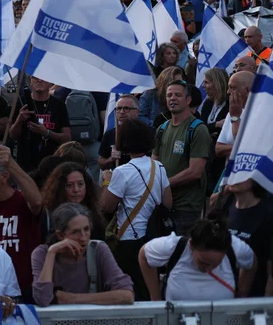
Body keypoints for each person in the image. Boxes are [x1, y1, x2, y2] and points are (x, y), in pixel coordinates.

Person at [99, 119, 172, 300]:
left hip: (129, 240)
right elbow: (168, 203)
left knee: (133, 291)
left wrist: (107, 180)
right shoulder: (159, 167)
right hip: (154, 236)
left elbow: (106, 206)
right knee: (150, 289)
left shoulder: (122, 171)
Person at [0, 145, 42, 301]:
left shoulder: (23, 202)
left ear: (4, 176)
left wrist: (11, 163)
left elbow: (37, 202)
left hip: (22, 292)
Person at [31, 203, 134, 306]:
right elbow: (42, 299)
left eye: (86, 229)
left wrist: (72, 298)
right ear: (60, 235)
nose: (83, 238)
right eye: (76, 232)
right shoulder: (42, 254)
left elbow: (127, 295)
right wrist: (51, 253)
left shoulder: (98, 250)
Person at [139, 217, 255, 301]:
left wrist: (242, 292)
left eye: (215, 264)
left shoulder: (236, 249)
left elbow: (252, 261)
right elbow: (144, 255)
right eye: (203, 262)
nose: (208, 269)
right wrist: (155, 297)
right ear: (191, 245)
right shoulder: (174, 247)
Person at [152, 80, 210, 236]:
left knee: (182, 254)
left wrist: (165, 184)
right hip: (163, 204)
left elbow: (195, 172)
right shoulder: (162, 129)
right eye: (169, 95)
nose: (173, 98)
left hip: (186, 207)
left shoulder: (198, 129)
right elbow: (154, 164)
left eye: (178, 95)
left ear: (188, 100)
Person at [214, 180, 273, 297]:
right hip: (222, 292)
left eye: (242, 175)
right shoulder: (226, 202)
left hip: (254, 296)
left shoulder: (268, 212)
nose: (235, 178)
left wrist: (266, 306)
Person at [9, 76, 71, 172]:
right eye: (35, 77)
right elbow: (12, 135)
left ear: (50, 83)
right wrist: (19, 120)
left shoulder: (59, 105)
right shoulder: (22, 103)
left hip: (52, 165)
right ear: (30, 82)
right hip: (26, 165)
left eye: (44, 77)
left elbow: (67, 138)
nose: (39, 80)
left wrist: (47, 133)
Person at [40, 162, 104, 239]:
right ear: (59, 188)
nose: (76, 190)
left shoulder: (94, 215)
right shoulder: (47, 216)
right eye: (69, 185)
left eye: (80, 184)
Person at [98, 94, 140, 170]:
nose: (121, 112)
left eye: (126, 108)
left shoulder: (148, 133)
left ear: (137, 112)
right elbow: (101, 164)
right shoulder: (110, 134)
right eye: (118, 108)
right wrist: (111, 159)